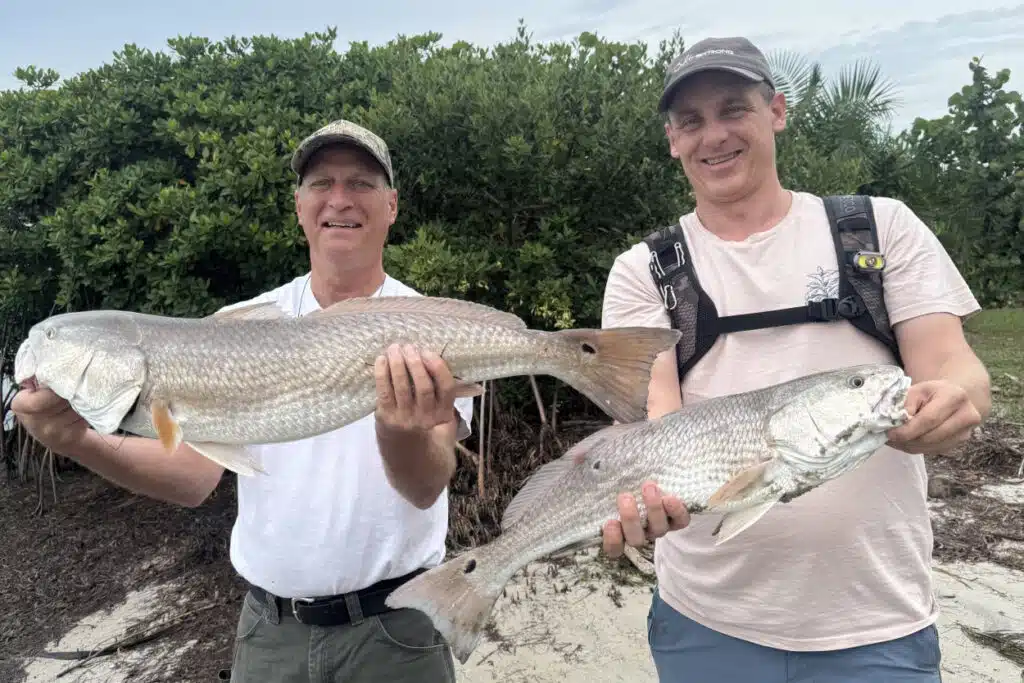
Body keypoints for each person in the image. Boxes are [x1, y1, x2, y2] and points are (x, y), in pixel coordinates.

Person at [11, 119, 477, 683]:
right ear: (299, 206)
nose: (339, 199)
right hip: (269, 635)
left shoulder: (430, 329)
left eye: (360, 183)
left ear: (392, 205)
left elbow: (426, 486)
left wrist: (399, 431)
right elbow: (192, 479)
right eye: (321, 183)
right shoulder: (235, 327)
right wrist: (73, 438)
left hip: (398, 631)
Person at [599, 36, 991, 682]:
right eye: (691, 121)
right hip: (704, 621)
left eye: (733, 109)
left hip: (879, 624)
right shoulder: (643, 271)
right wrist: (643, 496)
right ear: (672, 140)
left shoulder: (879, 230)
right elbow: (655, 422)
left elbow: (955, 366)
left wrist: (955, 401)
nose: (714, 135)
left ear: (777, 110)